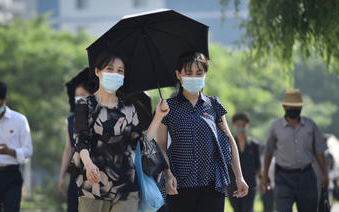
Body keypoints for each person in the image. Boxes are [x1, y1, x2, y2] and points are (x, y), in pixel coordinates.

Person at [72, 51, 169, 212]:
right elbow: (81, 139)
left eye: (120, 71)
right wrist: (88, 165)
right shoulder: (85, 104)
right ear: (97, 71)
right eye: (110, 69)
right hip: (94, 185)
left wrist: (158, 117)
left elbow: (142, 141)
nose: (115, 74)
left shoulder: (129, 107)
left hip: (126, 185)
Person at [157, 51, 248, 212]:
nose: (194, 77)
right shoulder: (168, 107)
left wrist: (239, 177)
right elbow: (161, 146)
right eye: (188, 72)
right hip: (179, 186)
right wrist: (168, 174)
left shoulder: (213, 104)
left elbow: (229, 140)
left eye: (199, 73)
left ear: (205, 74)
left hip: (212, 185)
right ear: (178, 74)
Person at [261, 88, 328, 212]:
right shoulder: (275, 126)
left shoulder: (310, 125)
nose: (293, 110)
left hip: (307, 177)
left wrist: (324, 173)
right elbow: (268, 152)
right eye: (291, 107)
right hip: (283, 178)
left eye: (296, 107)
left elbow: (319, 150)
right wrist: (265, 175)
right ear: (285, 107)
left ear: (301, 108)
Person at [0, 80, 33, 212]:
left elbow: (28, 151)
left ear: (5, 100)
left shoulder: (19, 120)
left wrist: (10, 152)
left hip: (11, 175)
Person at [58, 68, 93, 212]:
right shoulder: (71, 120)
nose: (79, 98)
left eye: (83, 95)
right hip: (76, 173)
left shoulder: (99, 117)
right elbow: (68, 150)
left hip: (95, 173)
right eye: (76, 96)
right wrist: (61, 176)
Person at [228, 113, 261, 212]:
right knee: (237, 209)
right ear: (234, 125)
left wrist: (262, 181)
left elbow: (258, 166)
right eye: (238, 125)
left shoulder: (254, 145)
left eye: (243, 125)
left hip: (250, 184)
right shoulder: (229, 144)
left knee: (248, 209)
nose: (240, 127)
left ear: (248, 125)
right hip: (233, 184)